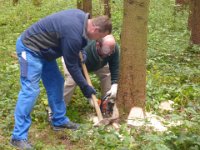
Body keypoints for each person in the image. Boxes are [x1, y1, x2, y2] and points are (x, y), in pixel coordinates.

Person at [11, 8, 112, 150]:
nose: (97, 40)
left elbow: (74, 42)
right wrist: (85, 87)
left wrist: (81, 50)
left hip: (46, 52)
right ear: (95, 29)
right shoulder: (73, 33)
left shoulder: (82, 18)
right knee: (30, 91)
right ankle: (18, 137)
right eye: (99, 37)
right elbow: (72, 65)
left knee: (57, 83)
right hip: (30, 49)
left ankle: (58, 120)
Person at [62, 34, 119, 106]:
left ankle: (107, 104)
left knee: (107, 75)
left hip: (98, 61)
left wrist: (114, 84)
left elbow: (115, 67)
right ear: (98, 45)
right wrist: (89, 95)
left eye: (112, 50)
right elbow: (78, 74)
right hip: (72, 59)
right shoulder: (87, 50)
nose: (109, 54)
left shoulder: (112, 49)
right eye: (106, 50)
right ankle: (56, 110)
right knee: (71, 81)